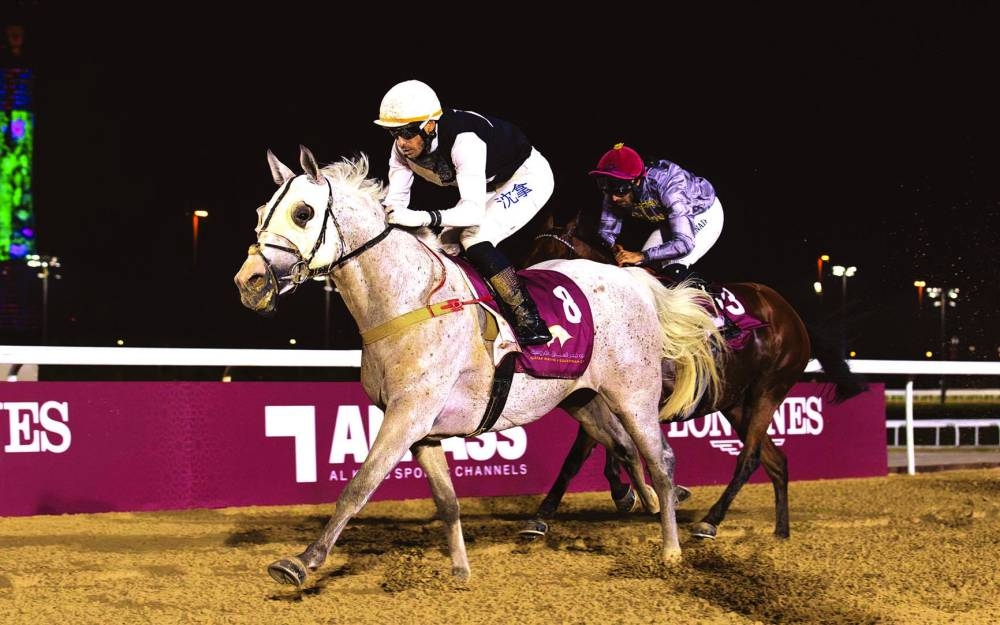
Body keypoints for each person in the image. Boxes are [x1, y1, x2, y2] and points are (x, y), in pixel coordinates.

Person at [375, 79, 553, 346]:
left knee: (474, 237)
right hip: (488, 185)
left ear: (430, 125)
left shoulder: (464, 140)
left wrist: (424, 217)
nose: (401, 143)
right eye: (394, 133)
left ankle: (529, 319)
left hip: (527, 177)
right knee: (444, 247)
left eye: (407, 132)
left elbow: (470, 212)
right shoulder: (402, 149)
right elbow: (395, 205)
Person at [587, 143, 724, 289]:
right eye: (606, 188)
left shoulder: (667, 183)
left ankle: (712, 299)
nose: (613, 198)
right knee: (638, 272)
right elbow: (606, 234)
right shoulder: (613, 191)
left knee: (673, 268)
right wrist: (613, 249)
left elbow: (684, 243)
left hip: (702, 215)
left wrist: (641, 255)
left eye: (620, 190)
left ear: (636, 181)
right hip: (669, 223)